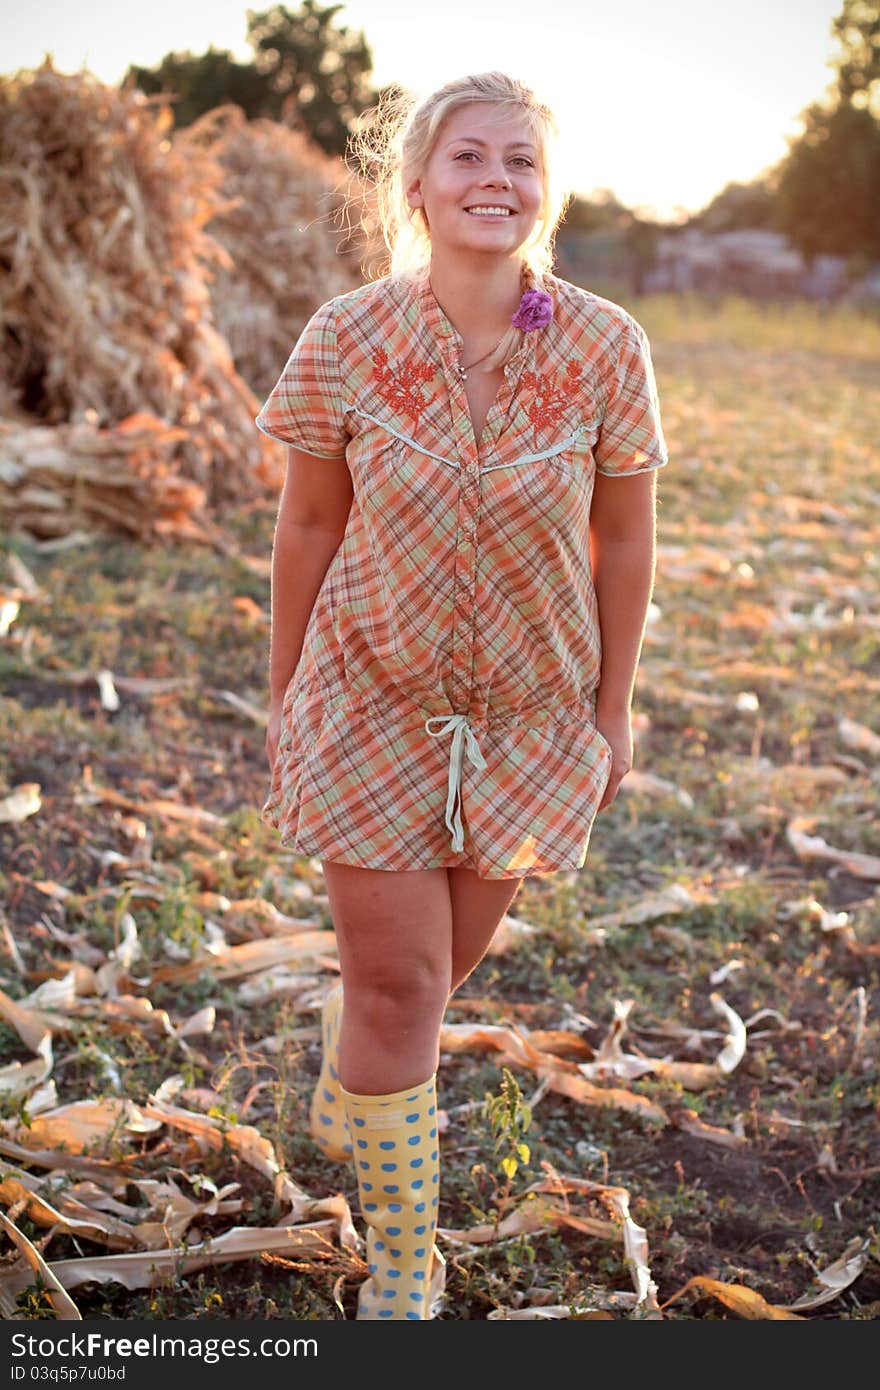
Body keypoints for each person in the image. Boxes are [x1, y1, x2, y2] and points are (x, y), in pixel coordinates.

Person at [255, 71, 668, 1320]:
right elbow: (310, 519)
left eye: (522, 162)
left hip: (534, 719)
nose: (498, 179)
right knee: (398, 988)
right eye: (471, 158)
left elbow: (626, 541)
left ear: (546, 192)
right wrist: (288, 698)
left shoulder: (605, 346)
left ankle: (361, 1091)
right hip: (367, 699)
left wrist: (610, 709)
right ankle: (401, 1263)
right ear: (421, 186)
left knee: (428, 983)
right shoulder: (347, 336)